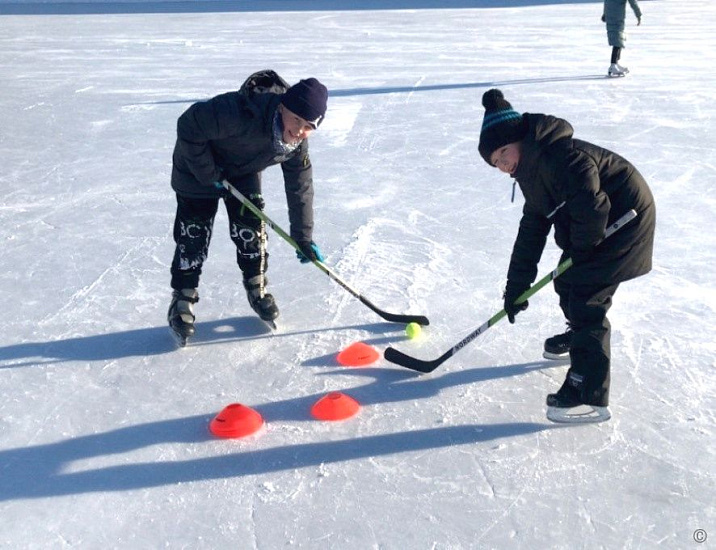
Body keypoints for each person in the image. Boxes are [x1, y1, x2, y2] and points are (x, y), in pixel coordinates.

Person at [477, 89, 655, 423]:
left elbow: (593, 204)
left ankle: (588, 392)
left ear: (517, 138)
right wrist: (515, 286)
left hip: (624, 222)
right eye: (495, 164)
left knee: (586, 298)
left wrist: (585, 248)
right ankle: (579, 340)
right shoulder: (531, 172)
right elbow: (532, 230)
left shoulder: (563, 156)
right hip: (596, 230)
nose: (502, 167)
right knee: (567, 282)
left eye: (502, 155)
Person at [167, 70, 328, 344]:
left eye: (309, 125)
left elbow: (300, 186)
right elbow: (188, 124)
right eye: (296, 119)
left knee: (251, 231)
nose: (300, 130)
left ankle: (257, 286)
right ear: (283, 107)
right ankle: (183, 298)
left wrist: (303, 237)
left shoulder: (295, 144)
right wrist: (209, 173)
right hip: (197, 167)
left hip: (242, 171)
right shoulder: (240, 112)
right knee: (193, 234)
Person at [602, 0, 642, 77]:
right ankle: (613, 64)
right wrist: (638, 14)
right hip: (617, 17)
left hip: (612, 14)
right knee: (618, 40)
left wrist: (605, 13)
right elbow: (633, 2)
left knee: (619, 39)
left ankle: (616, 63)